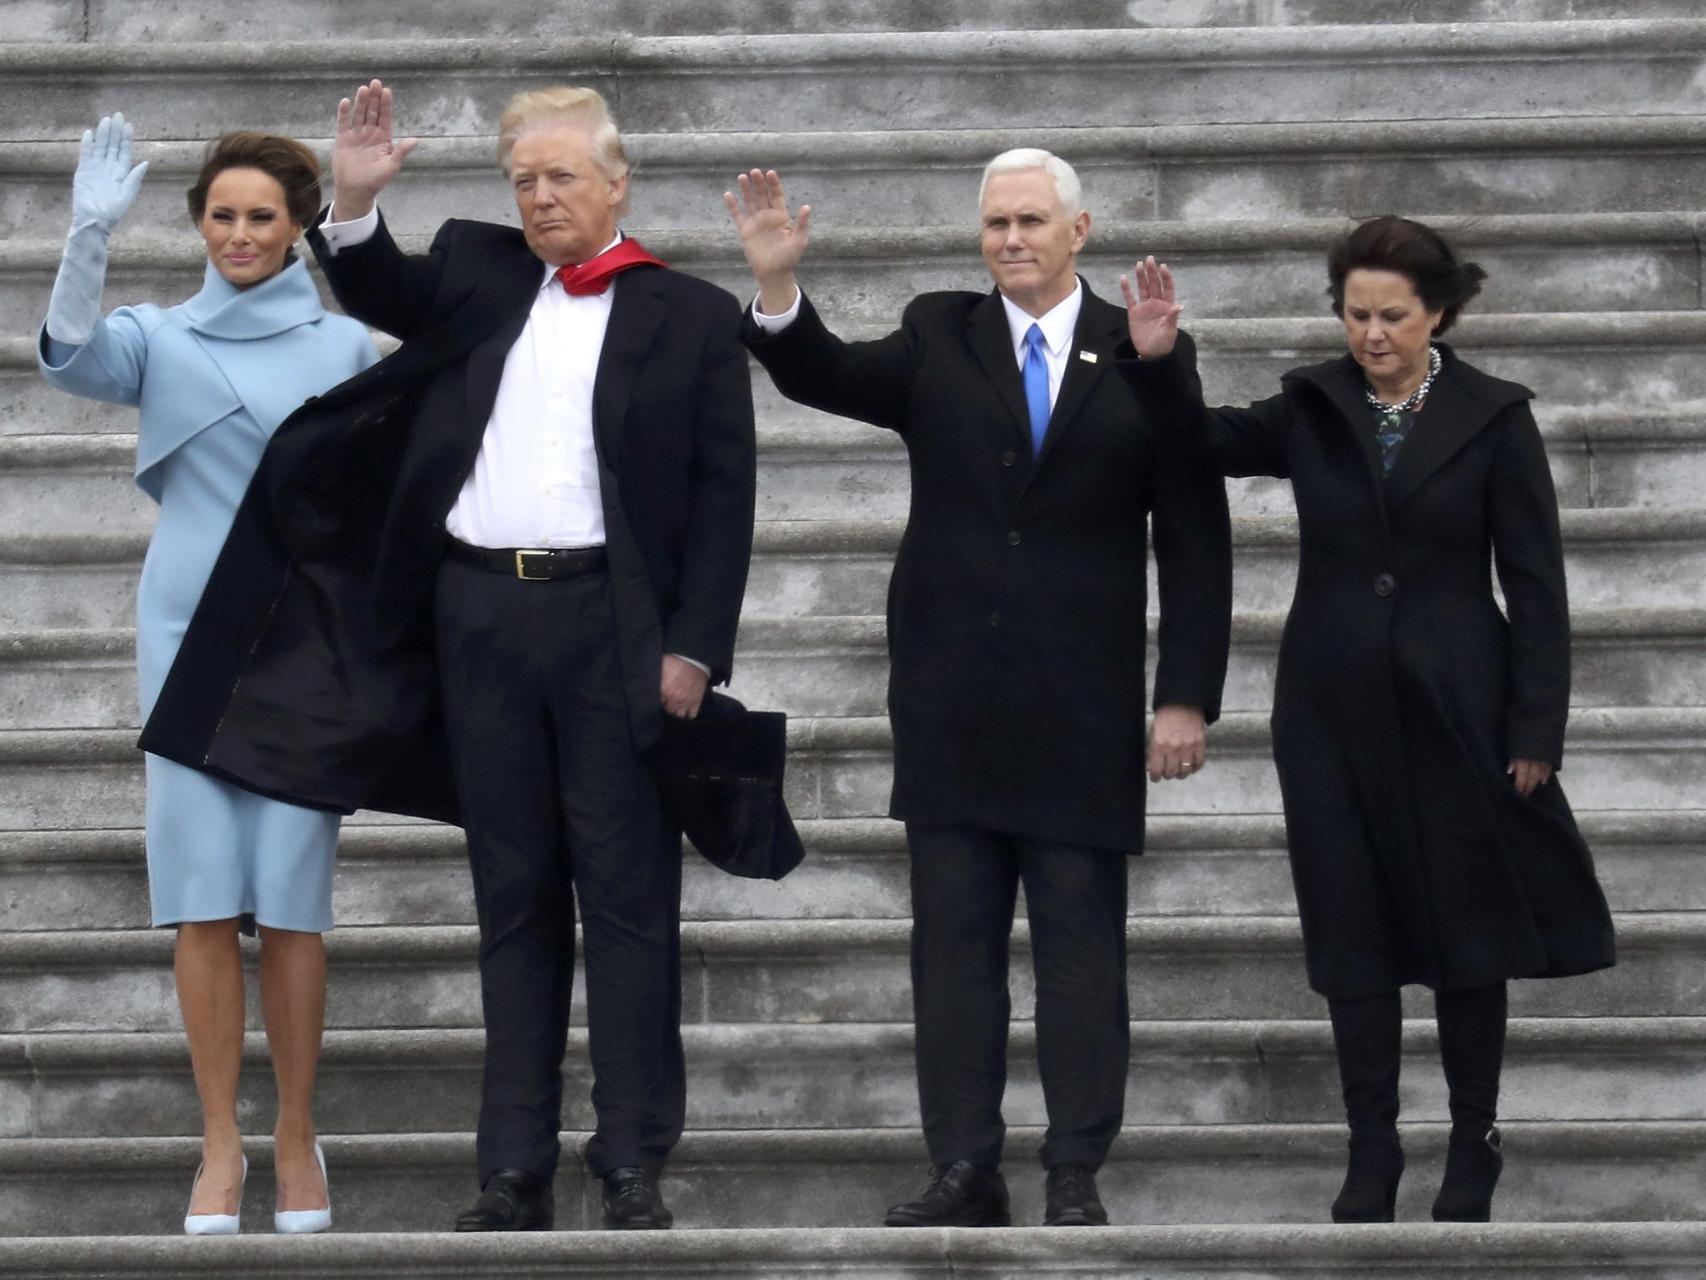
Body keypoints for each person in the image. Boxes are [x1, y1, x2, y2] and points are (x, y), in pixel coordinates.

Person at [138, 81, 756, 1232]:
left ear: (615, 184)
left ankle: (629, 1155)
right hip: (479, 618)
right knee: (511, 898)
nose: (539, 196)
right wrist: (357, 202)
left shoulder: (690, 313)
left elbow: (725, 496)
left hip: (612, 630)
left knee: (626, 899)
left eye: (561, 176)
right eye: (524, 178)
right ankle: (511, 1164)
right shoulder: (478, 265)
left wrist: (695, 649)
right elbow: (380, 284)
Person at [726, 153, 1232, 1227]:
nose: (1008, 238)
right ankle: (963, 1163)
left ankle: (1073, 1166)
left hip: (1082, 705)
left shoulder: (1142, 352)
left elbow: (1193, 535)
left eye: (1029, 221)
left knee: (1079, 952)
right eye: (994, 221)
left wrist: (1183, 692)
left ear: (1078, 228)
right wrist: (777, 291)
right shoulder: (937, 332)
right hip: (952, 699)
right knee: (952, 951)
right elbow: (825, 373)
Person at [1120, 217, 1616, 1223]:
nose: (1371, 333)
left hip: (1460, 712)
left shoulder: (1490, 417)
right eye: (1355, 314)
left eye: (1392, 315)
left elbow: (1534, 583)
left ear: (1437, 313)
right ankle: (1371, 1146)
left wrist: (1534, 729)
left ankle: (1471, 1140)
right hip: (1328, 712)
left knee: (1467, 928)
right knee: (1350, 927)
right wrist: (1161, 359)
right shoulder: (1313, 403)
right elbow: (1198, 442)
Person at [36, 117, 379, 1235]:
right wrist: (87, 232)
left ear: (295, 231)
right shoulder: (157, 335)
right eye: (221, 213)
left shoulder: (344, 347)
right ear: (197, 221)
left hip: (301, 637)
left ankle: (293, 1132)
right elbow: (70, 355)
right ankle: (220, 1141)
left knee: (289, 897)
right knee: (198, 894)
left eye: (262, 217)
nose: (238, 232)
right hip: (185, 629)